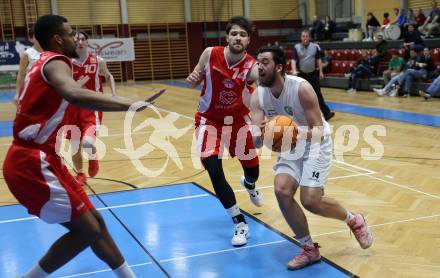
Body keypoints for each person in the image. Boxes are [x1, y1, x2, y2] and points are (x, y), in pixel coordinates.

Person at [3, 15, 165, 278]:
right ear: (57, 39)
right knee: (88, 229)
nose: (74, 39)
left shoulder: (43, 62)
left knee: (97, 224)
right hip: (31, 162)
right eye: (69, 34)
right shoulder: (55, 61)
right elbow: (75, 95)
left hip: (45, 157)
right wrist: (130, 105)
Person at [250, 45, 372, 270]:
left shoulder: (301, 88)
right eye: (258, 62)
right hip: (291, 147)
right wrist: (260, 133)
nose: (259, 66)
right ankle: (309, 249)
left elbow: (318, 131)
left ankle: (354, 220)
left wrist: (292, 131)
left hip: (316, 142)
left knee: (310, 201)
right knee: (281, 190)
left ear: (278, 67)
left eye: (264, 62)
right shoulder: (258, 96)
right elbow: (258, 142)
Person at [185, 16, 263, 247]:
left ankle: (249, 184)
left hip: (237, 122)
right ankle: (239, 222)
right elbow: (197, 74)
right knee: (213, 168)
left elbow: (264, 87)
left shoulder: (252, 66)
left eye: (243, 34)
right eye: (234, 33)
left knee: (253, 171)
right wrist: (193, 78)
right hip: (208, 120)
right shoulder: (210, 53)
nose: (238, 37)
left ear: (248, 40)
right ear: (227, 36)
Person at [65, 30, 117, 185]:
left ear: (87, 42)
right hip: (72, 107)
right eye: (76, 40)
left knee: (87, 142)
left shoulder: (98, 61)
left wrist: (113, 94)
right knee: (75, 145)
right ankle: (80, 174)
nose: (79, 42)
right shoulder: (67, 62)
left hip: (92, 106)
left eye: (82, 39)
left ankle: (93, 159)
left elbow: (108, 76)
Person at [290, 30, 335, 121]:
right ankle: (296, 115)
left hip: (312, 74)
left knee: (318, 94)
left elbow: (318, 60)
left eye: (306, 36)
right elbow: (293, 60)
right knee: (298, 95)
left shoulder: (315, 47)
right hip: (301, 75)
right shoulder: (296, 47)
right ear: (301, 38)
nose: (305, 38)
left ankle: (327, 114)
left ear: (309, 37)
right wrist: (294, 70)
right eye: (303, 36)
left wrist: (321, 72)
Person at [14, 28, 43, 104]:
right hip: (31, 89)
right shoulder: (27, 54)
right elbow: (21, 74)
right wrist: (17, 93)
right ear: (31, 39)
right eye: (37, 36)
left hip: (47, 89)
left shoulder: (51, 52)